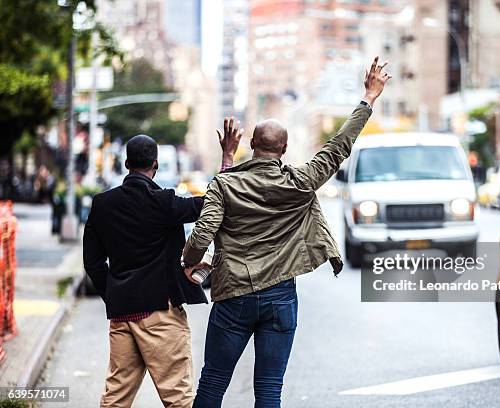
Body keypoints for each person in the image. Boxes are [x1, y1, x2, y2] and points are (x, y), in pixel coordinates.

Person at [182, 57, 391, 408]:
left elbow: (203, 235)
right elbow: (339, 146)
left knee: (213, 384)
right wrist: (369, 97)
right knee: (268, 389)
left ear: (251, 144)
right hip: (280, 298)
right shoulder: (300, 182)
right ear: (284, 150)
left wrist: (189, 262)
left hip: (233, 297)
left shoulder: (224, 183)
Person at [83, 124, 242, 408]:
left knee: (115, 398)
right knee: (178, 398)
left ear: (127, 164)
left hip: (122, 315)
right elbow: (213, 205)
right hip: (160, 313)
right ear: (155, 164)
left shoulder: (102, 203)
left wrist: (114, 293)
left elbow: (92, 262)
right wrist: (226, 160)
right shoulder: (164, 202)